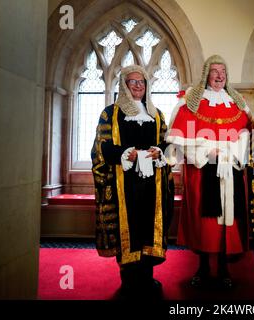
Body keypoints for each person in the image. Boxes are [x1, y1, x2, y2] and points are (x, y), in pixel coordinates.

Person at [165, 55, 254, 289]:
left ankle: (224, 268)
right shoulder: (192, 102)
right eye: (214, 71)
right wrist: (206, 151)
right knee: (204, 221)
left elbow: (247, 132)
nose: (219, 75)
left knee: (228, 221)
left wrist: (232, 151)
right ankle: (203, 267)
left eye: (222, 70)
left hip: (231, 169)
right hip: (202, 171)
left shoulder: (236, 102)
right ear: (207, 74)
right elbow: (181, 137)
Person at [91, 64, 174, 299]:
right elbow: (101, 148)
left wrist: (159, 151)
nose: (138, 86)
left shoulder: (157, 114)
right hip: (123, 185)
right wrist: (128, 154)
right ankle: (128, 280)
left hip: (151, 186)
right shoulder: (110, 113)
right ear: (124, 86)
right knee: (128, 230)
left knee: (149, 229)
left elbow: (166, 143)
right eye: (133, 82)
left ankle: (147, 277)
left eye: (142, 82)